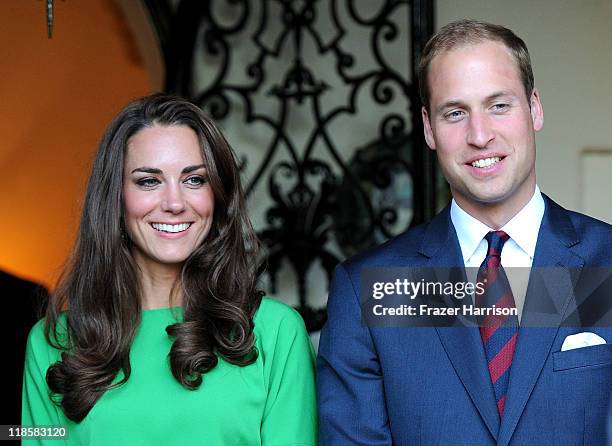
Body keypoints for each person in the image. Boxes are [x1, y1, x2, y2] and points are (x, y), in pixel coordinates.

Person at [317, 19, 612, 445]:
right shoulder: (373, 287)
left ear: (534, 108)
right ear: (428, 128)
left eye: (499, 105)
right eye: (455, 113)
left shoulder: (605, 263)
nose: (479, 135)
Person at [22, 94, 317, 445]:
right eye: (149, 181)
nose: (175, 203)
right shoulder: (51, 342)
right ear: (115, 198)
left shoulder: (276, 332)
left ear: (217, 195)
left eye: (194, 180)